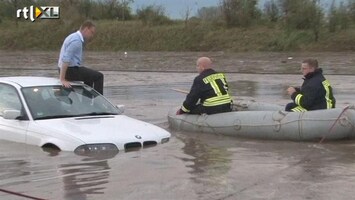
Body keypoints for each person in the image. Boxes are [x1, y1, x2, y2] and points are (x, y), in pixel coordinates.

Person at [58, 20, 104, 95]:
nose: (92, 36)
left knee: (89, 78)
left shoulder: (73, 36)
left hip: (68, 69)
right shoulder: (76, 41)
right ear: (86, 29)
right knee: (99, 76)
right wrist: (62, 79)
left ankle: (86, 101)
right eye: (91, 32)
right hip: (70, 71)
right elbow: (66, 59)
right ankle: (98, 103)